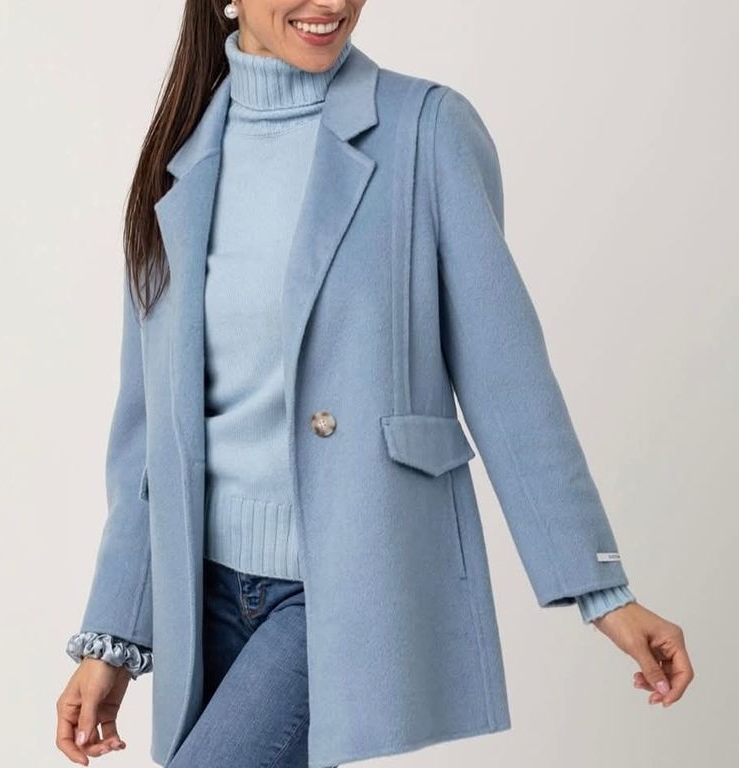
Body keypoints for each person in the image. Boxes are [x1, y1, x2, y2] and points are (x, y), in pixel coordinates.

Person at [55, 2, 695, 766]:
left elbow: (509, 380)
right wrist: (115, 635)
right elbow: (149, 431)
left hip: (339, 590)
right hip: (202, 593)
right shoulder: (180, 154)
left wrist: (602, 589)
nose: (331, 4)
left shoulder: (426, 131)